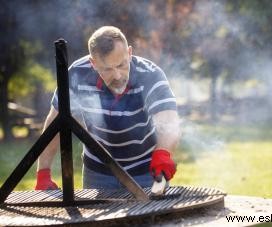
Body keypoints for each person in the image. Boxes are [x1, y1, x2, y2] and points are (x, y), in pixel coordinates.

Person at [35, 26, 180, 190]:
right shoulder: (77, 74)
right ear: (93, 63)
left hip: (146, 172)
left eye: (121, 65)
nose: (117, 75)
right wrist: (43, 173)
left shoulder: (150, 74)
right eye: (108, 69)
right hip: (98, 172)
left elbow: (168, 121)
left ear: (129, 52)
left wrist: (163, 152)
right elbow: (56, 123)